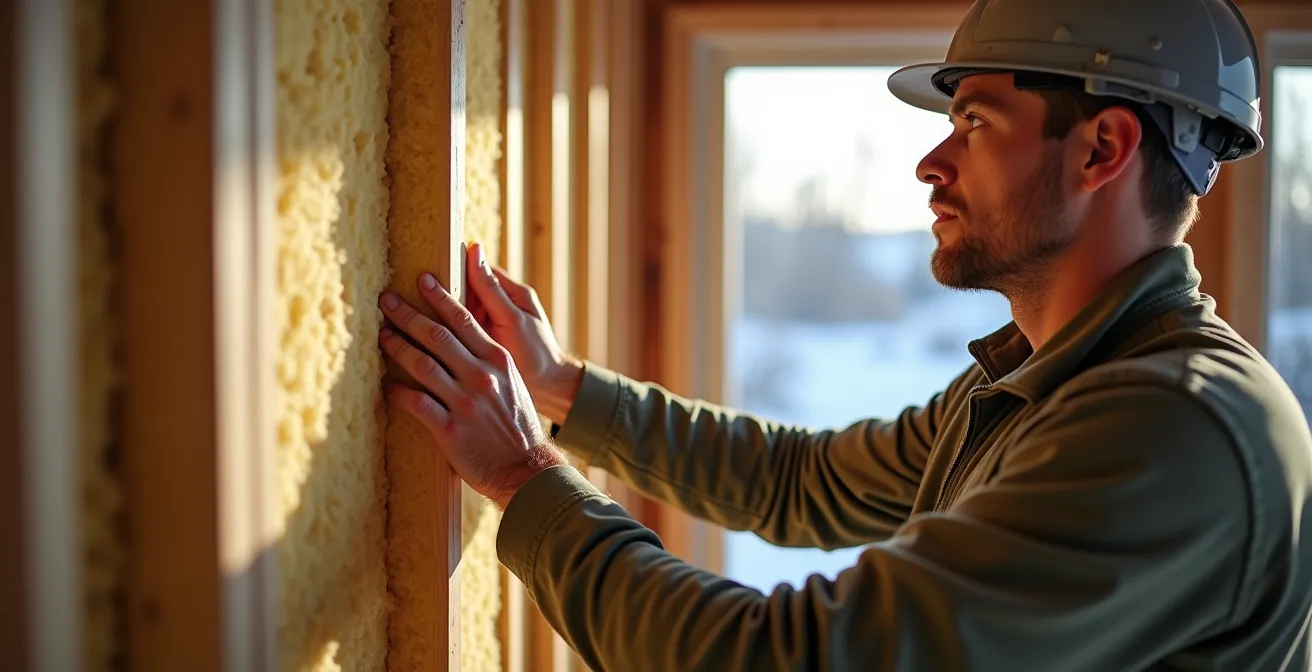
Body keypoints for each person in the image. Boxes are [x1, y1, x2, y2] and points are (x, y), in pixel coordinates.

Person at [374, 0, 1312, 668]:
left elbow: (799, 660)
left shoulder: (1168, 429)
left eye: (975, 121)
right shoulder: (1047, 380)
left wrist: (521, 478)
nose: (929, 162)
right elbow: (802, 482)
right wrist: (556, 384)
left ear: (1103, 149)